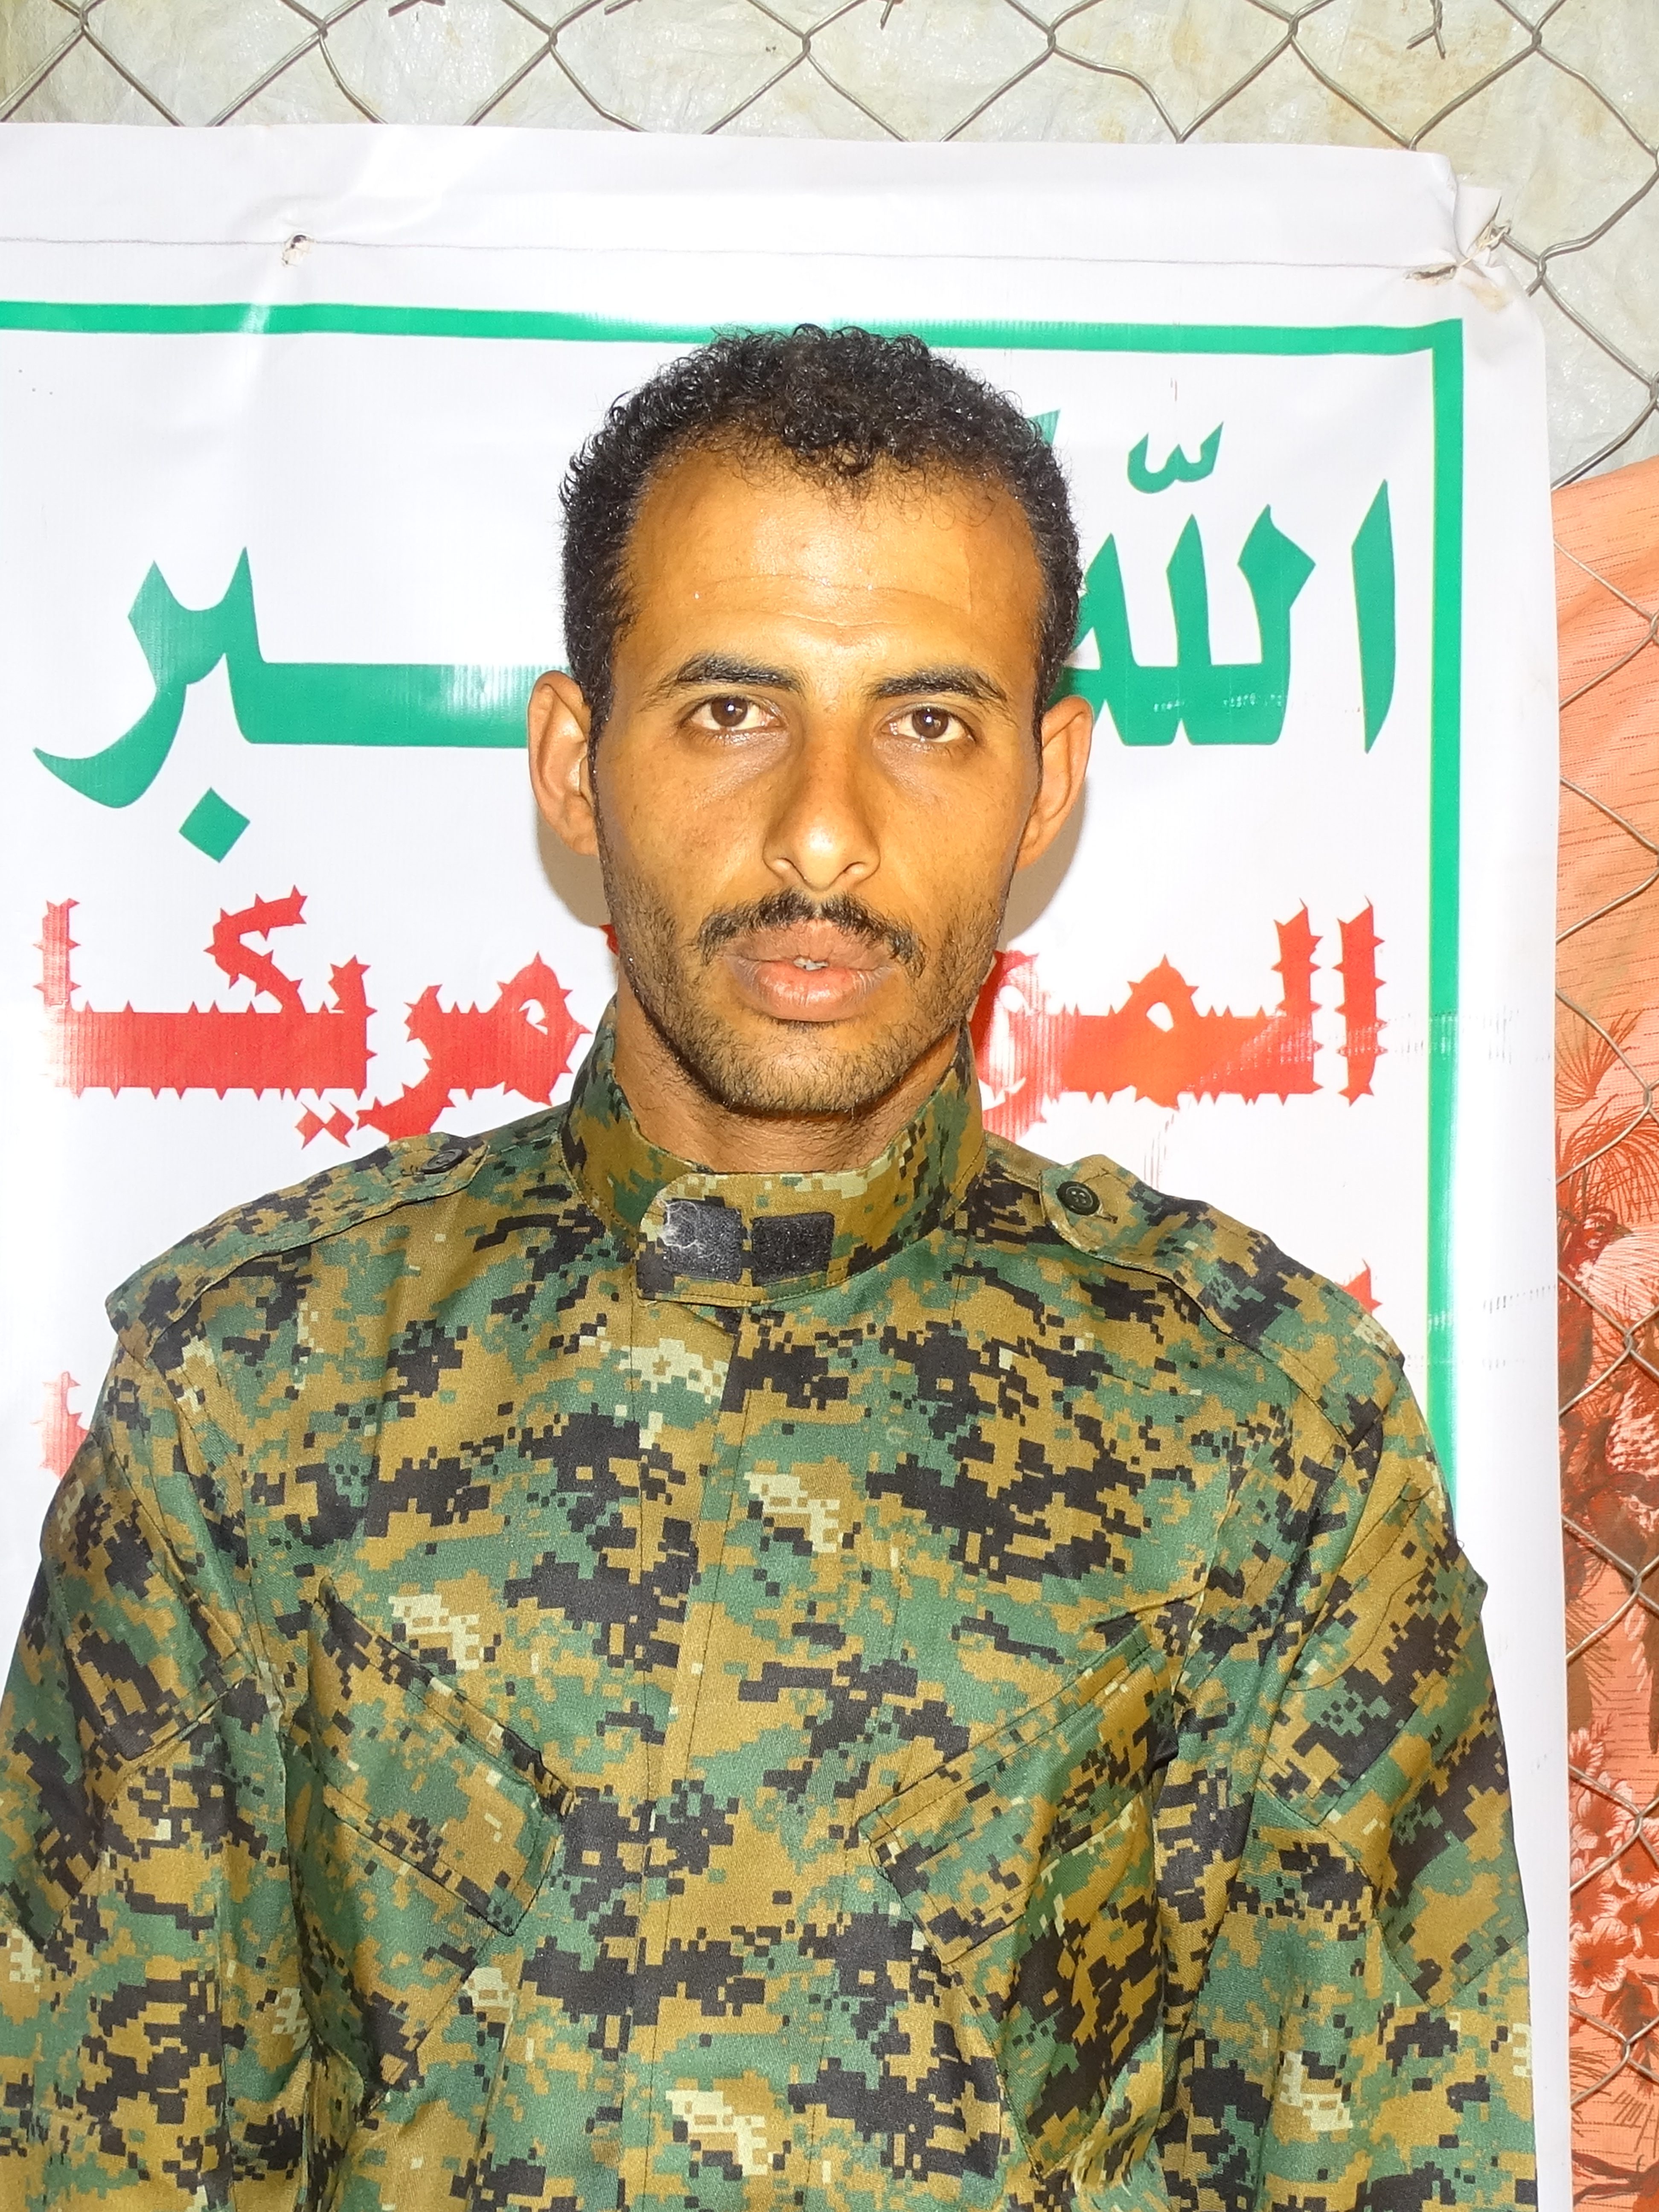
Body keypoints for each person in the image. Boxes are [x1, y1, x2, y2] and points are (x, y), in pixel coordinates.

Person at [0, 326, 1531, 2210]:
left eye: (928, 722)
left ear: (1049, 780)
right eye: (732, 710)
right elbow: (93, 2157)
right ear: (576, 764)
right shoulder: (258, 1385)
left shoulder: (1264, 1426)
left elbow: (1386, 2158)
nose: (823, 831)